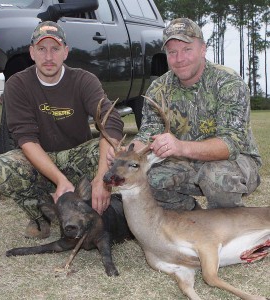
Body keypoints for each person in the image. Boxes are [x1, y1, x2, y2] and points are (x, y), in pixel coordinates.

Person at [0, 21, 123, 239]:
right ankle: (42, 217)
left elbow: (111, 122)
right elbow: (26, 138)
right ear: (32, 53)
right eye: (42, 49)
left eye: (55, 49)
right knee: (0, 168)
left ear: (65, 52)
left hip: (77, 157)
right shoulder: (17, 84)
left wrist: (101, 178)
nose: (48, 57)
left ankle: (83, 206)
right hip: (40, 159)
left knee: (110, 150)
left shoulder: (84, 80)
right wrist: (60, 181)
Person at [108, 18, 261, 210]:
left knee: (217, 178)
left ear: (203, 49)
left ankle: (230, 224)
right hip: (184, 161)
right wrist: (129, 152)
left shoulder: (228, 83)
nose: (179, 59)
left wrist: (180, 147)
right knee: (149, 178)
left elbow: (231, 144)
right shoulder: (158, 88)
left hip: (236, 161)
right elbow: (149, 133)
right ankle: (191, 217)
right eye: (172, 52)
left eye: (187, 50)